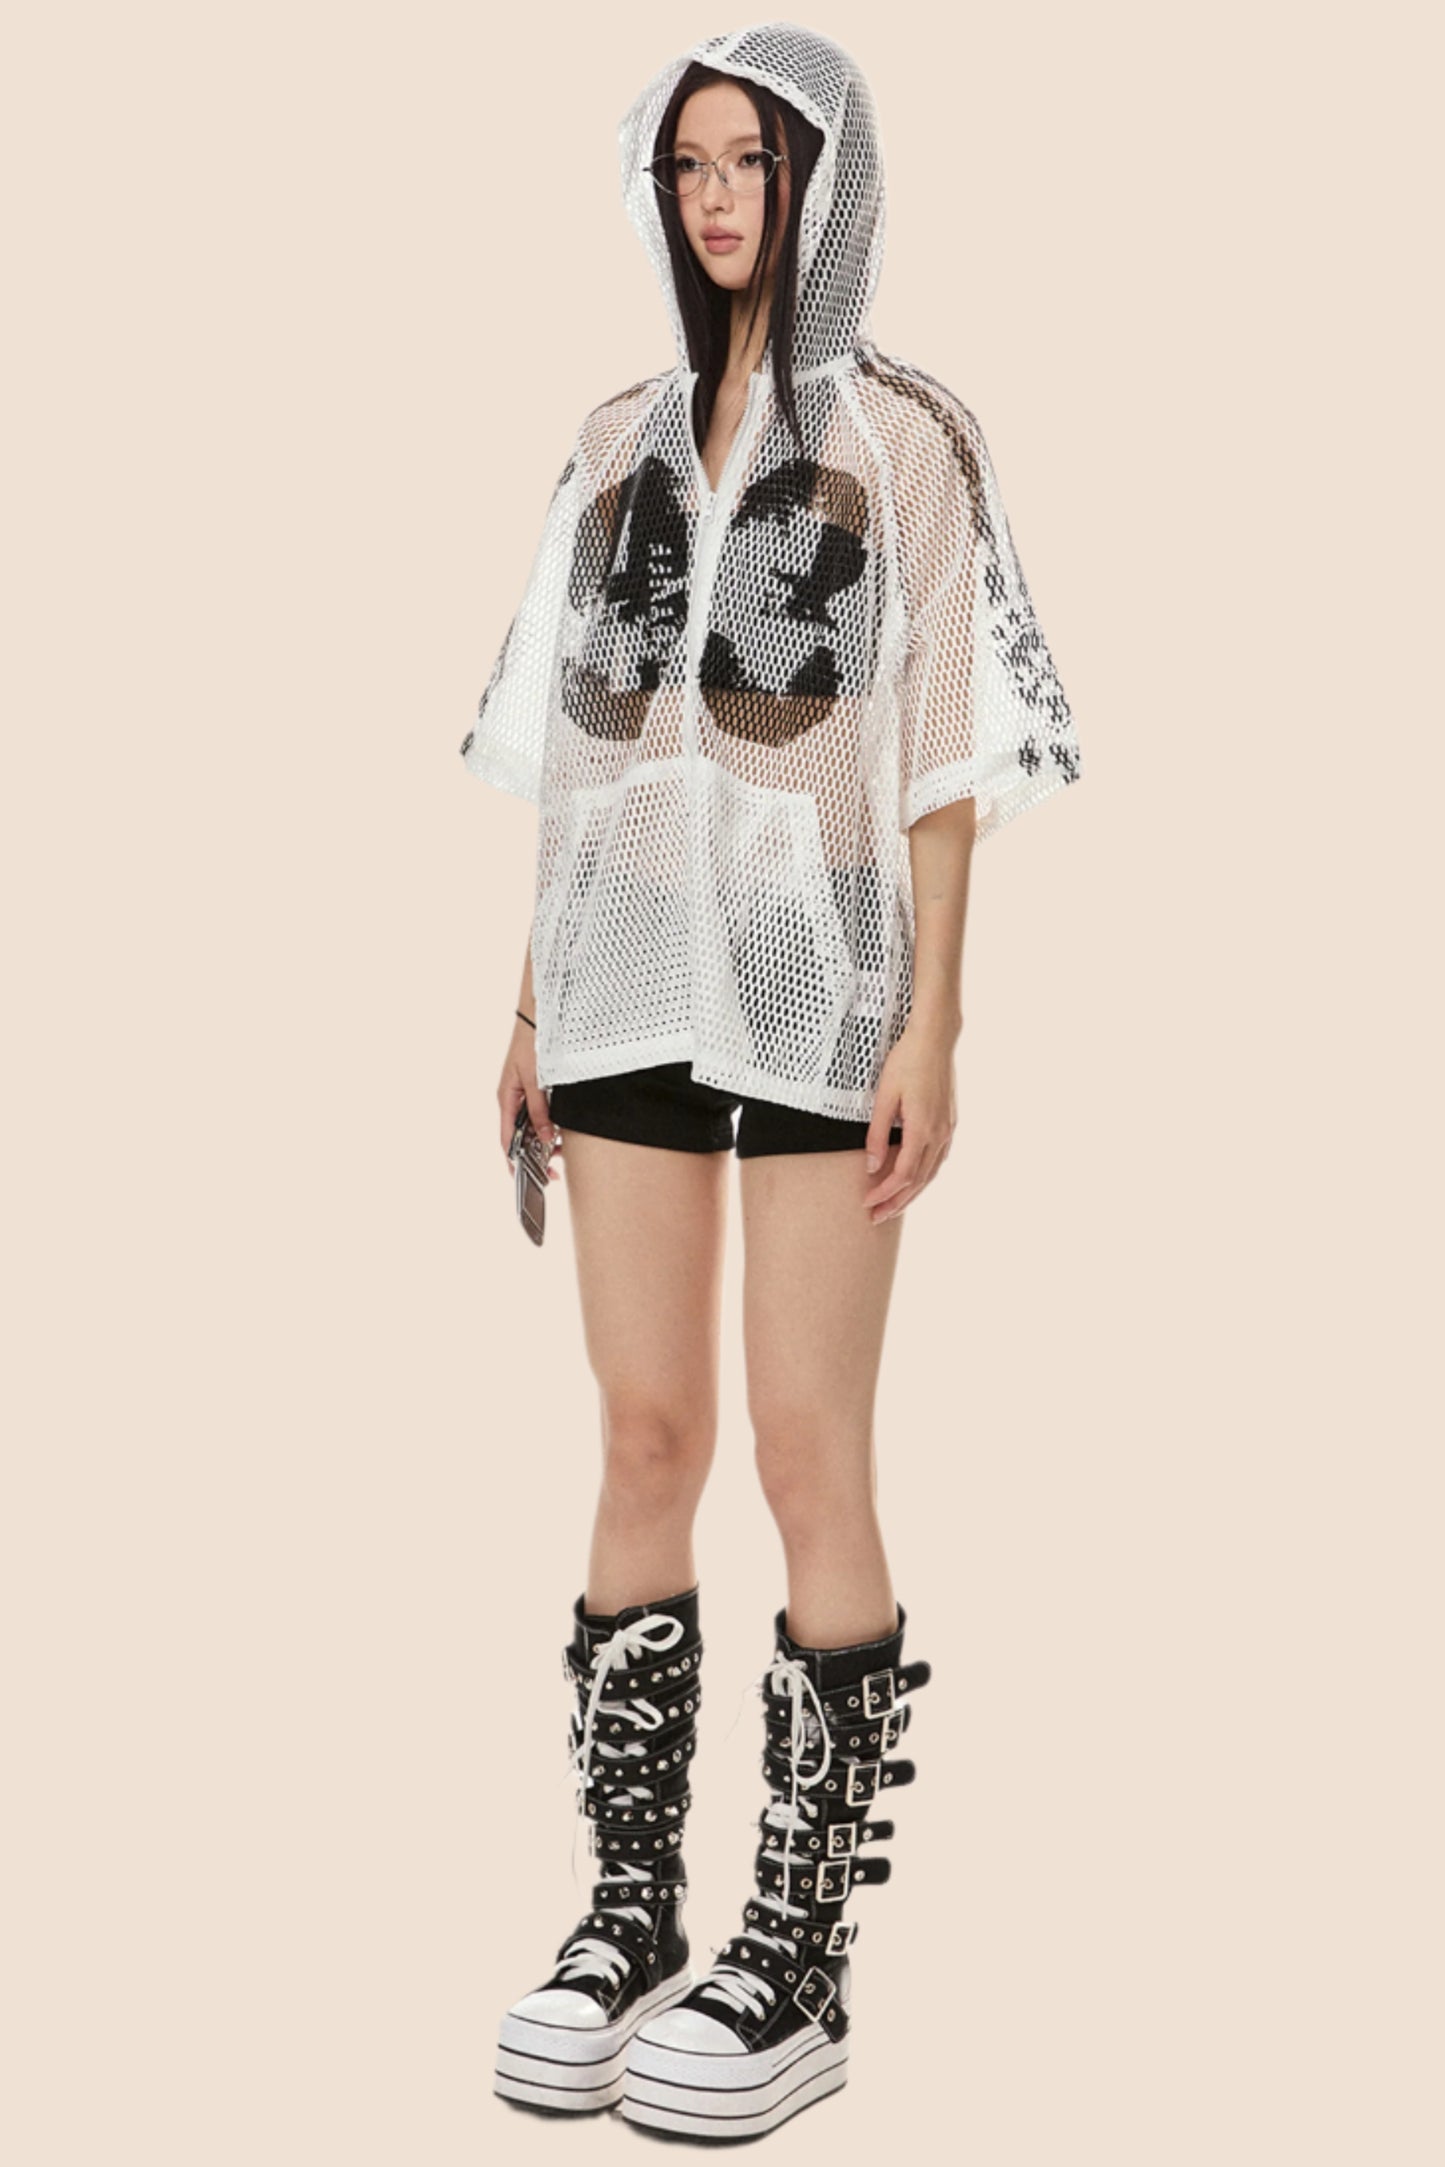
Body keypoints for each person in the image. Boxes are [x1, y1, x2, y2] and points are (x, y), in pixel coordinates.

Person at [462, 22, 1083, 2142]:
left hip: (821, 985)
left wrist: (936, 1022)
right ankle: (627, 1914)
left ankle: (796, 1956)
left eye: (757, 163)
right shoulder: (611, 438)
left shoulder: (908, 439)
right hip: (626, 976)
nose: (722, 200)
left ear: (829, 184)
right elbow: (574, 748)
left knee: (812, 1445)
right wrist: (531, 1006)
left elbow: (941, 744)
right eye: (693, 167)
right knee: (644, 1433)